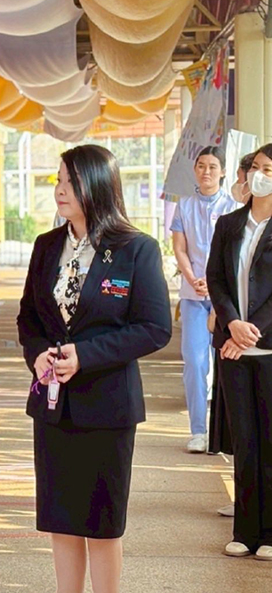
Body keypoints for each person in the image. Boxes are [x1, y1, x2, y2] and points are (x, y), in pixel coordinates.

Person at [17, 145, 171, 593]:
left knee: (102, 523)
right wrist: (38, 354)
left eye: (71, 181)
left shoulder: (136, 249)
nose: (60, 189)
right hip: (54, 408)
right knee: (61, 520)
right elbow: (29, 317)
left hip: (108, 407)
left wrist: (86, 355)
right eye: (58, 180)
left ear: (98, 185)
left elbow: (154, 328)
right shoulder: (47, 246)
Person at [206, 143, 272, 561]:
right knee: (244, 443)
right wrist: (232, 323)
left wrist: (250, 332)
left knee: (270, 443)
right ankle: (245, 532)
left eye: (269, 169)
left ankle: (270, 535)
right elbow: (216, 277)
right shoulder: (229, 224)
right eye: (256, 167)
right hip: (232, 349)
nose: (259, 175)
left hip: (266, 349)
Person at [170, 146, 239, 453]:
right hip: (193, 295)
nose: (206, 171)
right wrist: (192, 279)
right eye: (201, 166)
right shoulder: (183, 205)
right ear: (195, 170)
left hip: (226, 298)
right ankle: (198, 431)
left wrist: (214, 284)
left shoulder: (234, 207)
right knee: (196, 362)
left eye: (212, 166)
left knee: (227, 363)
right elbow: (179, 247)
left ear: (223, 172)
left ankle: (225, 433)